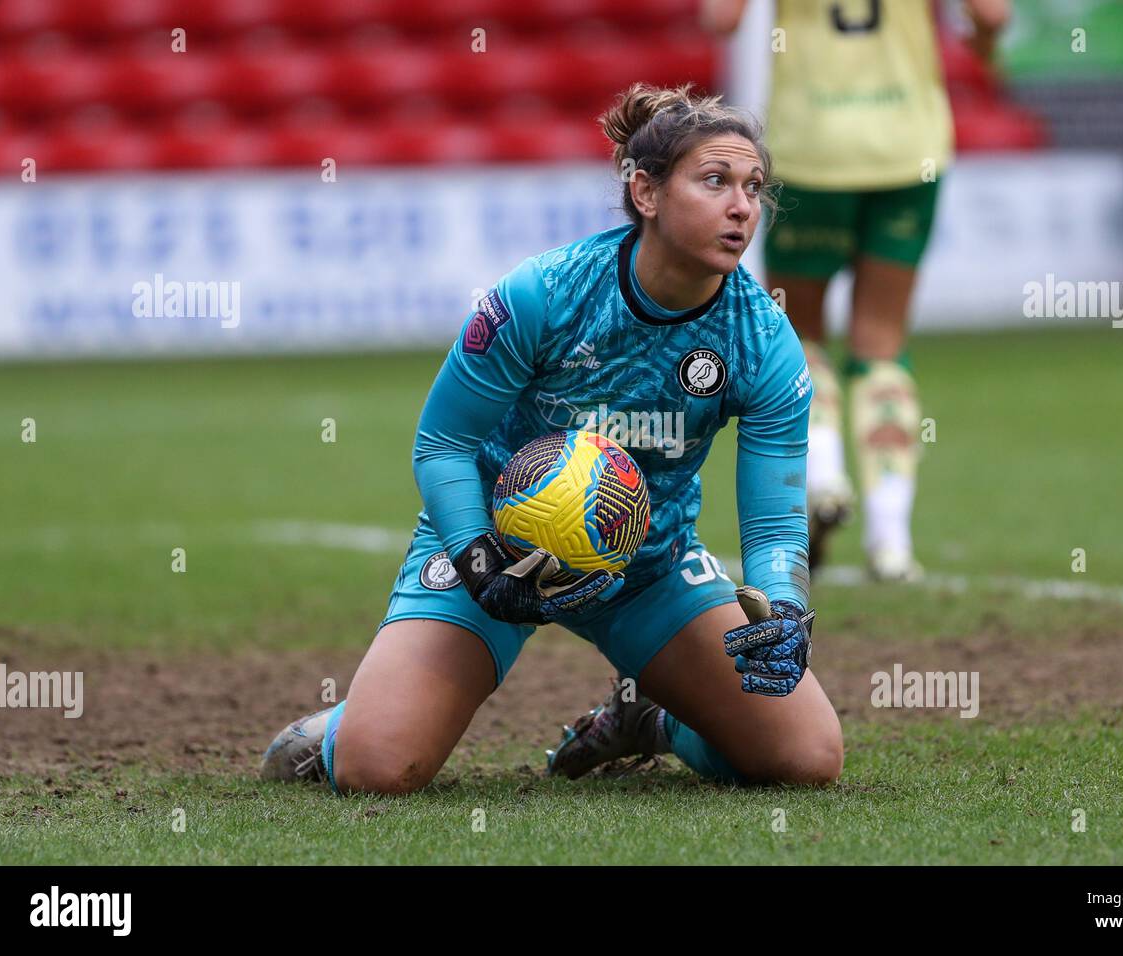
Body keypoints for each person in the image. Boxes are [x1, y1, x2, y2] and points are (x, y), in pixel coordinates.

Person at [260, 83, 844, 792]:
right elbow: (441, 445)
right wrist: (477, 557)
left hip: (649, 570)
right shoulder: (543, 295)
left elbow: (777, 524)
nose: (742, 206)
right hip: (498, 552)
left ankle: (647, 720)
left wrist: (782, 609)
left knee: (806, 759)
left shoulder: (763, 341)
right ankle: (337, 729)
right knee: (378, 769)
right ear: (646, 192)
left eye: (754, 187)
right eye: (715, 181)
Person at [703, 0, 1011, 580]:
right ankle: (890, 540)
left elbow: (722, 19)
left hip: (811, 147)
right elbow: (991, 18)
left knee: (799, 332)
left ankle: (823, 470)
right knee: (881, 342)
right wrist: (984, 49)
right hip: (905, 147)